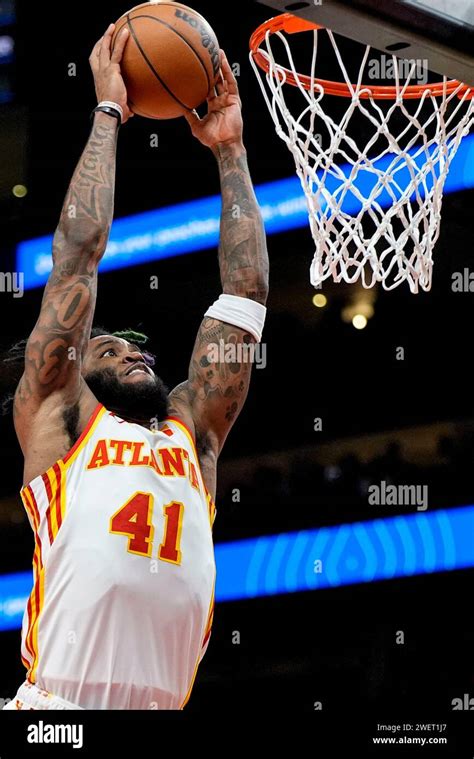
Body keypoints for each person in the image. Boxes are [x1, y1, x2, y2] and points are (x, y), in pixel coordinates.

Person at [3, 22, 268, 710]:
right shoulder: (63, 426)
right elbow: (77, 258)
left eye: (137, 347)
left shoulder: (193, 434)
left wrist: (231, 147)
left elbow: (246, 293)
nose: (134, 350)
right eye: (107, 346)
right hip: (56, 715)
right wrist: (109, 114)